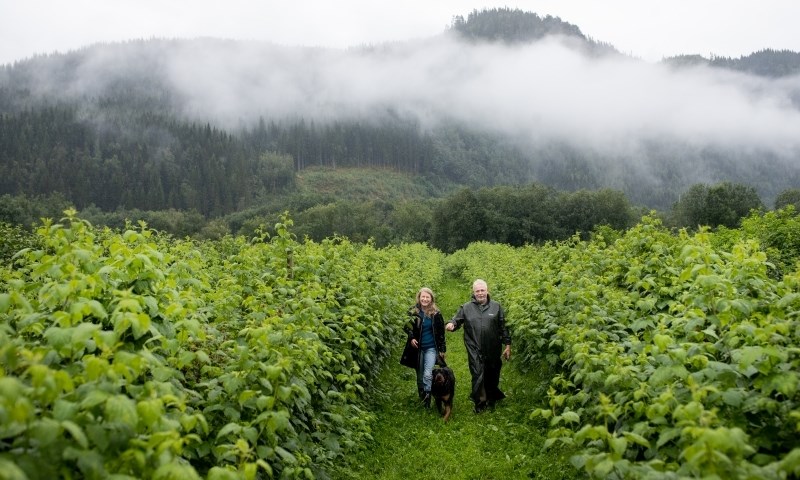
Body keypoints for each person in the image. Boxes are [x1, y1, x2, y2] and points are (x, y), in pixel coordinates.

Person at [446, 279, 511, 413]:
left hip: (493, 347)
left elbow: (503, 327)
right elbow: (456, 320)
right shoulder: (466, 307)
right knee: (477, 373)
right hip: (474, 346)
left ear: (487, 291)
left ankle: (491, 398)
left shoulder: (496, 307)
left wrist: (507, 345)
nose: (480, 293)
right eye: (477, 291)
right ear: (473, 292)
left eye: (482, 290)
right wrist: (452, 324)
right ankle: (480, 403)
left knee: (492, 373)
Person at [405, 287, 447, 408]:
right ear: (419, 298)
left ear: (431, 299)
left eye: (427, 297)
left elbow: (441, 333)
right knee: (420, 375)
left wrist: (442, 349)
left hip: (431, 348)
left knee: (428, 374)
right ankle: (422, 395)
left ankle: (428, 396)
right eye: (422, 297)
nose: (425, 299)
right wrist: (411, 337)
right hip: (417, 349)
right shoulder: (413, 312)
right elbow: (407, 326)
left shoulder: (436, 314)